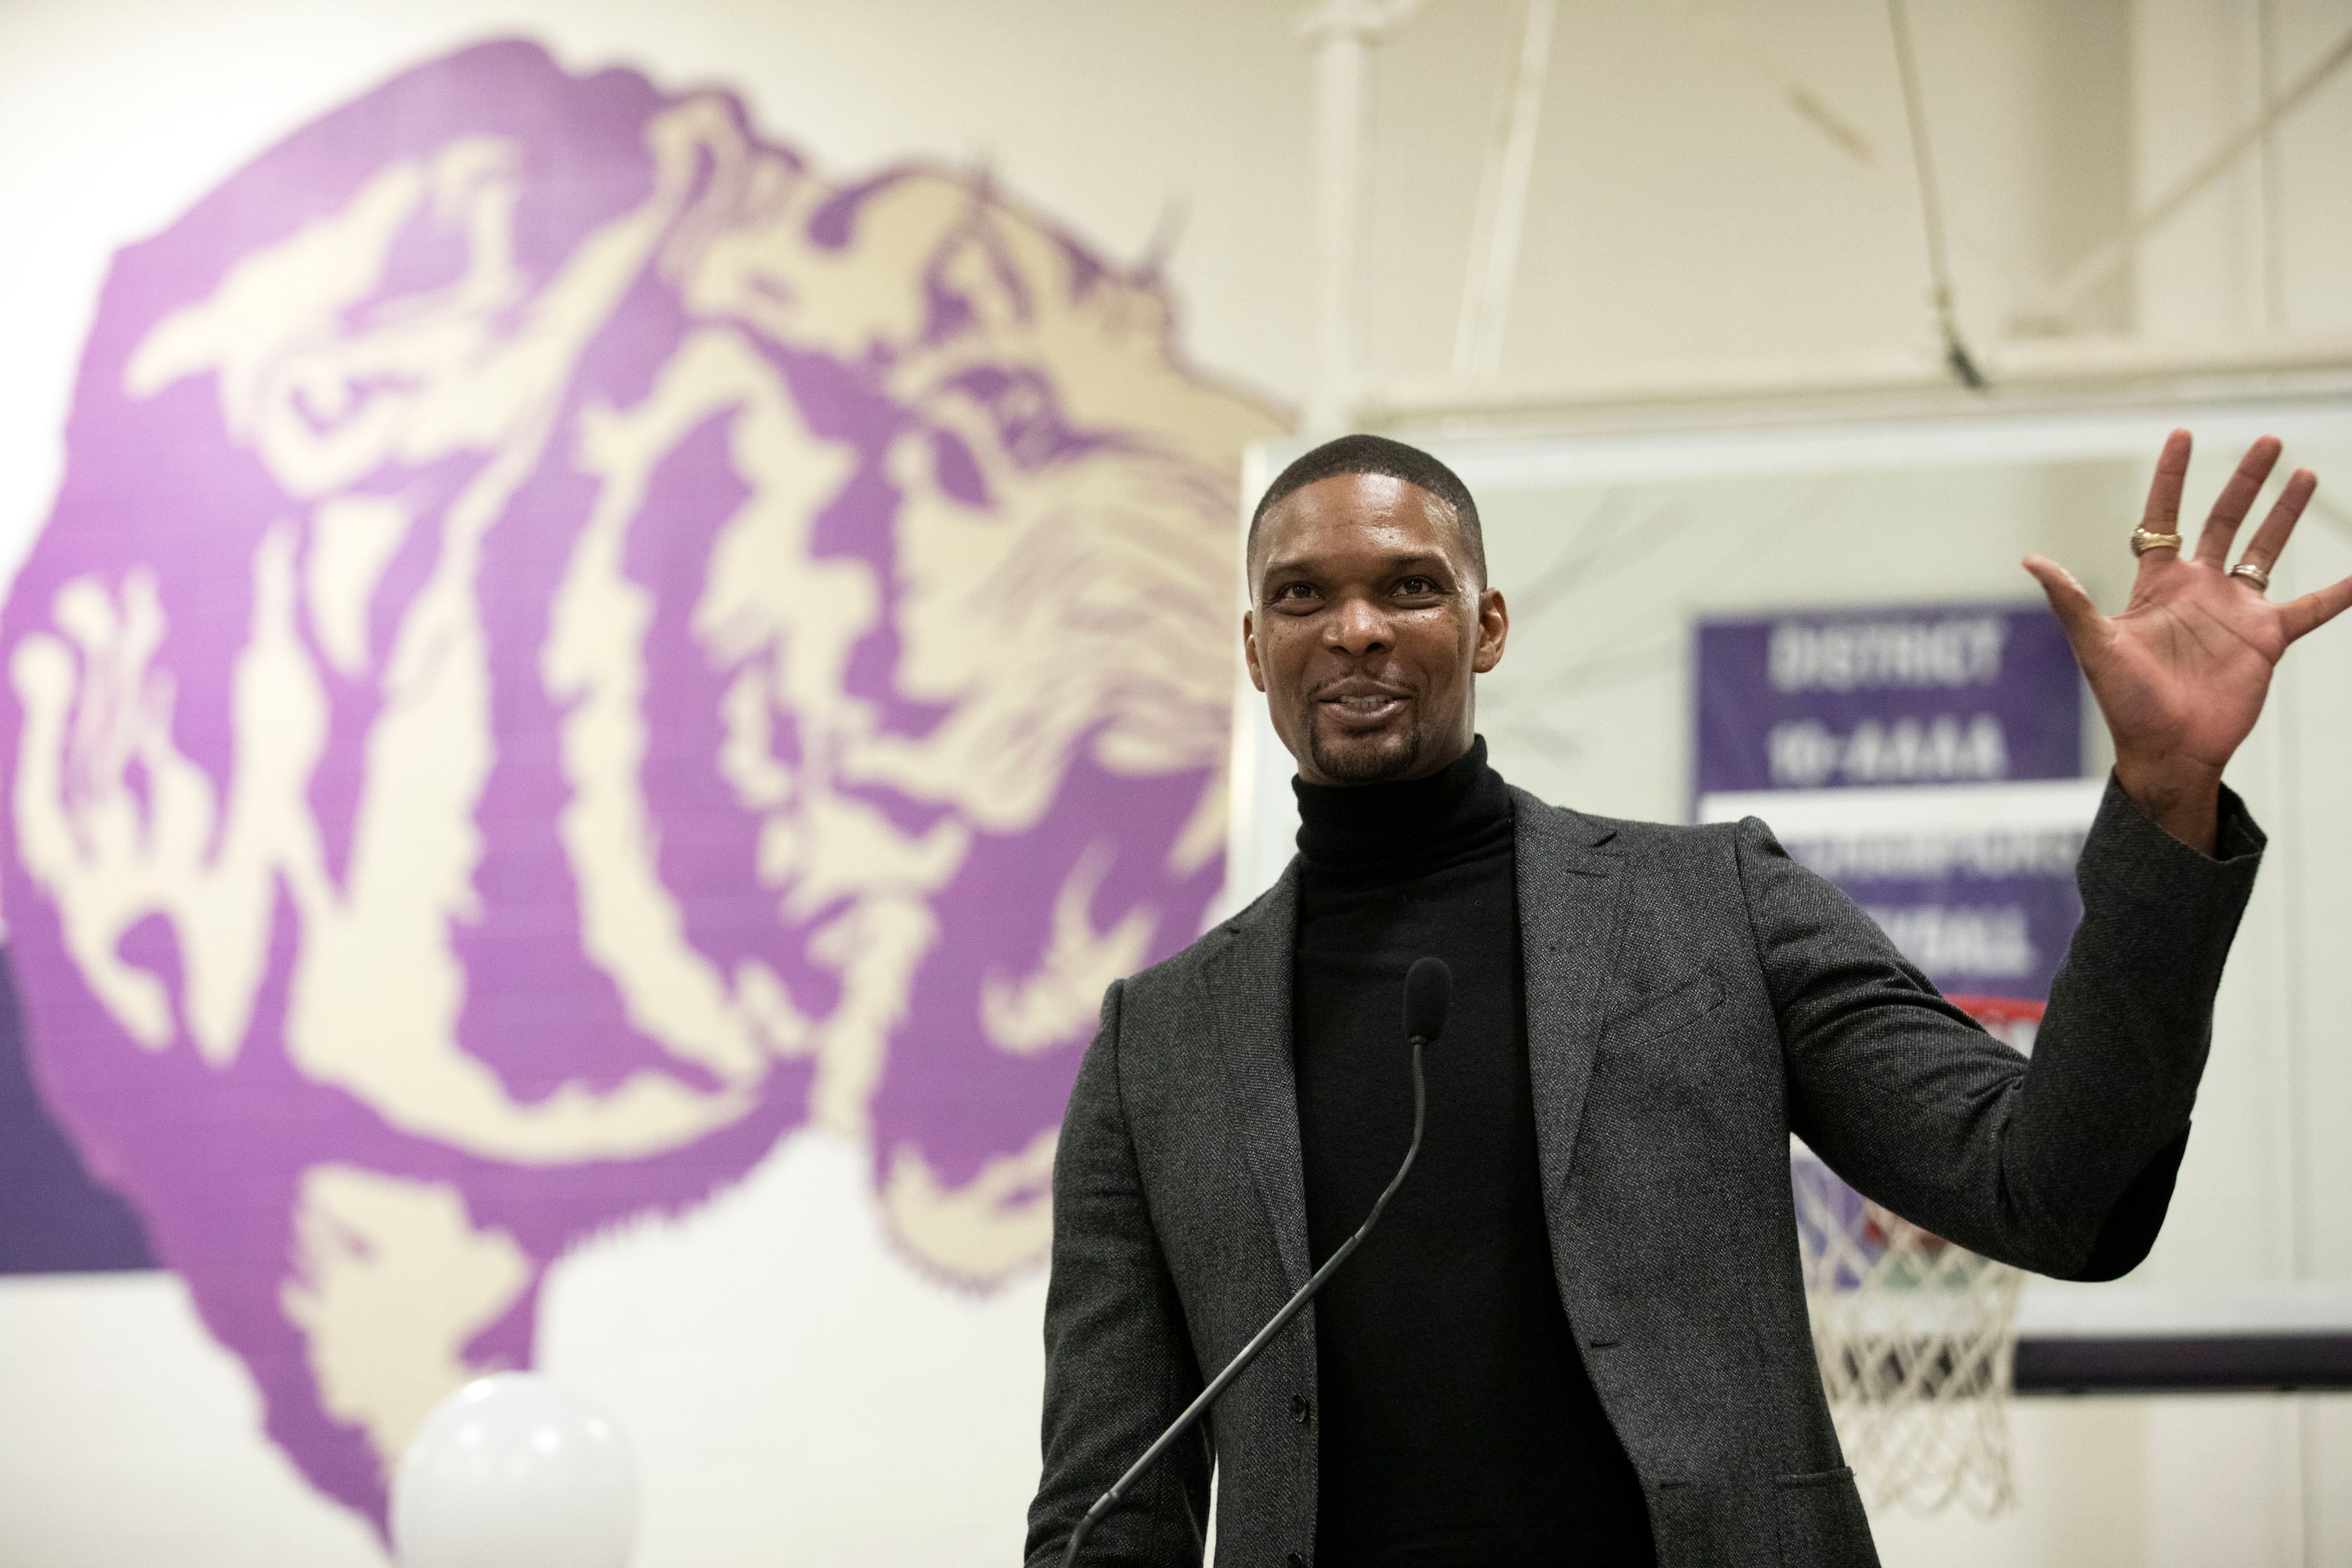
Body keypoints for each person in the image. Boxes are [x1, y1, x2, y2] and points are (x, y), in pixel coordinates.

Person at [1026, 429, 2349, 1568]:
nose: (1356, 626)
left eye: (1409, 586)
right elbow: (1106, 1504)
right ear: (1254, 647)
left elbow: (2050, 1189)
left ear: (1487, 623)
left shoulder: (1713, 904)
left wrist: (2165, 797)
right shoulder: (1158, 1044)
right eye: (1303, 594)